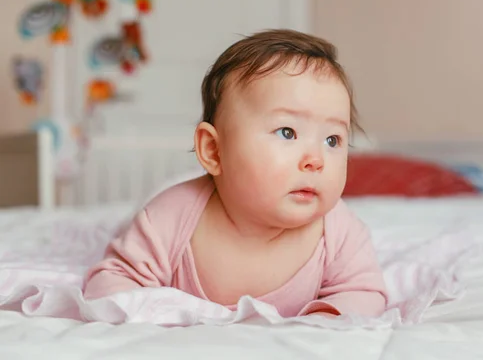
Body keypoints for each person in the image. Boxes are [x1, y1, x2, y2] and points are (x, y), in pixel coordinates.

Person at [82, 29, 388, 318]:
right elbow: (112, 283)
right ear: (214, 151)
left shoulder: (338, 230)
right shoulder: (170, 218)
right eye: (287, 132)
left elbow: (365, 293)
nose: (316, 160)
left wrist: (322, 322)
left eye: (332, 140)